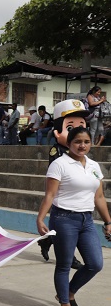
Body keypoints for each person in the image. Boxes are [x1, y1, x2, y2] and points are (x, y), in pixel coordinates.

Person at [36, 126, 111, 306]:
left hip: (86, 221)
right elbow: (50, 195)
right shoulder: (59, 164)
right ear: (69, 143)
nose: (82, 145)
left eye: (86, 142)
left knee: (95, 264)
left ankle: (68, 292)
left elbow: (99, 197)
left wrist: (108, 221)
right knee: (64, 264)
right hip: (63, 219)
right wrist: (41, 219)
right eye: (77, 142)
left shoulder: (94, 165)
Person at [37, 99, 89, 269]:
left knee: (67, 228)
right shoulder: (57, 151)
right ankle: (69, 257)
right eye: (70, 128)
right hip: (62, 193)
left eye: (82, 127)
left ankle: (48, 241)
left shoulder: (81, 151)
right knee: (67, 227)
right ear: (58, 133)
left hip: (77, 196)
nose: (77, 134)